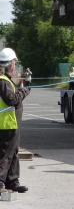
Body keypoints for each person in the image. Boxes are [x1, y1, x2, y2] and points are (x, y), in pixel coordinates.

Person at [0, 48, 30, 192]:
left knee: (13, 153)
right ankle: (0, 183)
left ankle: (12, 182)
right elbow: (12, 99)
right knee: (6, 153)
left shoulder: (7, 80)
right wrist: (25, 90)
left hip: (11, 123)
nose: (16, 66)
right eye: (14, 63)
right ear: (10, 64)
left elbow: (13, 93)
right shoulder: (3, 81)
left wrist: (23, 82)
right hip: (6, 124)